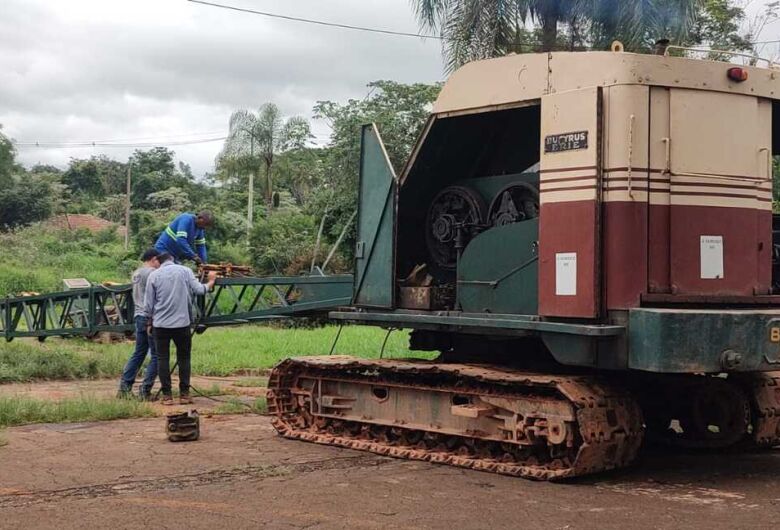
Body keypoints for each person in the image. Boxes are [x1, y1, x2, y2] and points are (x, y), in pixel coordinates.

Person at [144, 252, 217, 405]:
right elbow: (199, 290)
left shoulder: (154, 276)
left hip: (161, 325)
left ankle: (167, 396)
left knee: (163, 359)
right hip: (182, 324)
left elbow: (148, 305)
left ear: (159, 262)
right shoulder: (185, 271)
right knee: (184, 358)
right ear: (173, 259)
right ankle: (184, 394)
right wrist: (211, 281)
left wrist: (149, 322)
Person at [117, 248, 161, 400]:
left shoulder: (136, 273)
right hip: (149, 318)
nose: (160, 264)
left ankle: (124, 388)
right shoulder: (151, 273)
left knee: (138, 353)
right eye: (158, 261)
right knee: (156, 355)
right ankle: (145, 390)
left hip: (138, 315)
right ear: (154, 259)